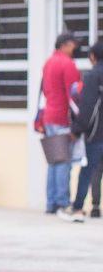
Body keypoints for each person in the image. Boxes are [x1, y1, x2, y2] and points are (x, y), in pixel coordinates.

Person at [42, 33, 82, 217]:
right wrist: (78, 124)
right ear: (65, 45)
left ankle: (51, 202)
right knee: (63, 161)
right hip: (62, 118)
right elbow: (73, 96)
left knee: (53, 161)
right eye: (73, 45)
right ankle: (62, 202)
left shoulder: (48, 62)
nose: (75, 49)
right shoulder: (67, 64)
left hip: (49, 116)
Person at [64, 40, 103, 223]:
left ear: (93, 57)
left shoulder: (93, 76)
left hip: (96, 133)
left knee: (89, 170)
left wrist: (77, 129)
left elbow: (87, 106)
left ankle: (78, 207)